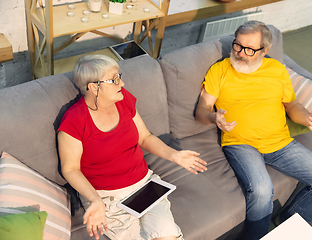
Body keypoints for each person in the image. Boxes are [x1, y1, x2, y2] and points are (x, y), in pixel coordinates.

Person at [195, 21, 312, 240]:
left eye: (249, 49)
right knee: (262, 191)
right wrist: (214, 118)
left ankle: (286, 225)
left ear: (265, 51)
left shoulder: (277, 70)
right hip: (240, 144)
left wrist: (308, 118)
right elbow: (201, 111)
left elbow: (292, 106)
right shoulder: (220, 70)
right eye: (237, 45)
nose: (240, 53)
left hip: (281, 143)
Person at [57, 55, 208, 240]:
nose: (122, 83)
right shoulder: (75, 121)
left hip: (144, 184)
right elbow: (70, 169)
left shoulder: (123, 100)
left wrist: (174, 155)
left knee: (167, 237)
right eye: (114, 79)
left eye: (119, 76)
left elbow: (145, 137)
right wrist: (94, 200)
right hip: (107, 198)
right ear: (94, 86)